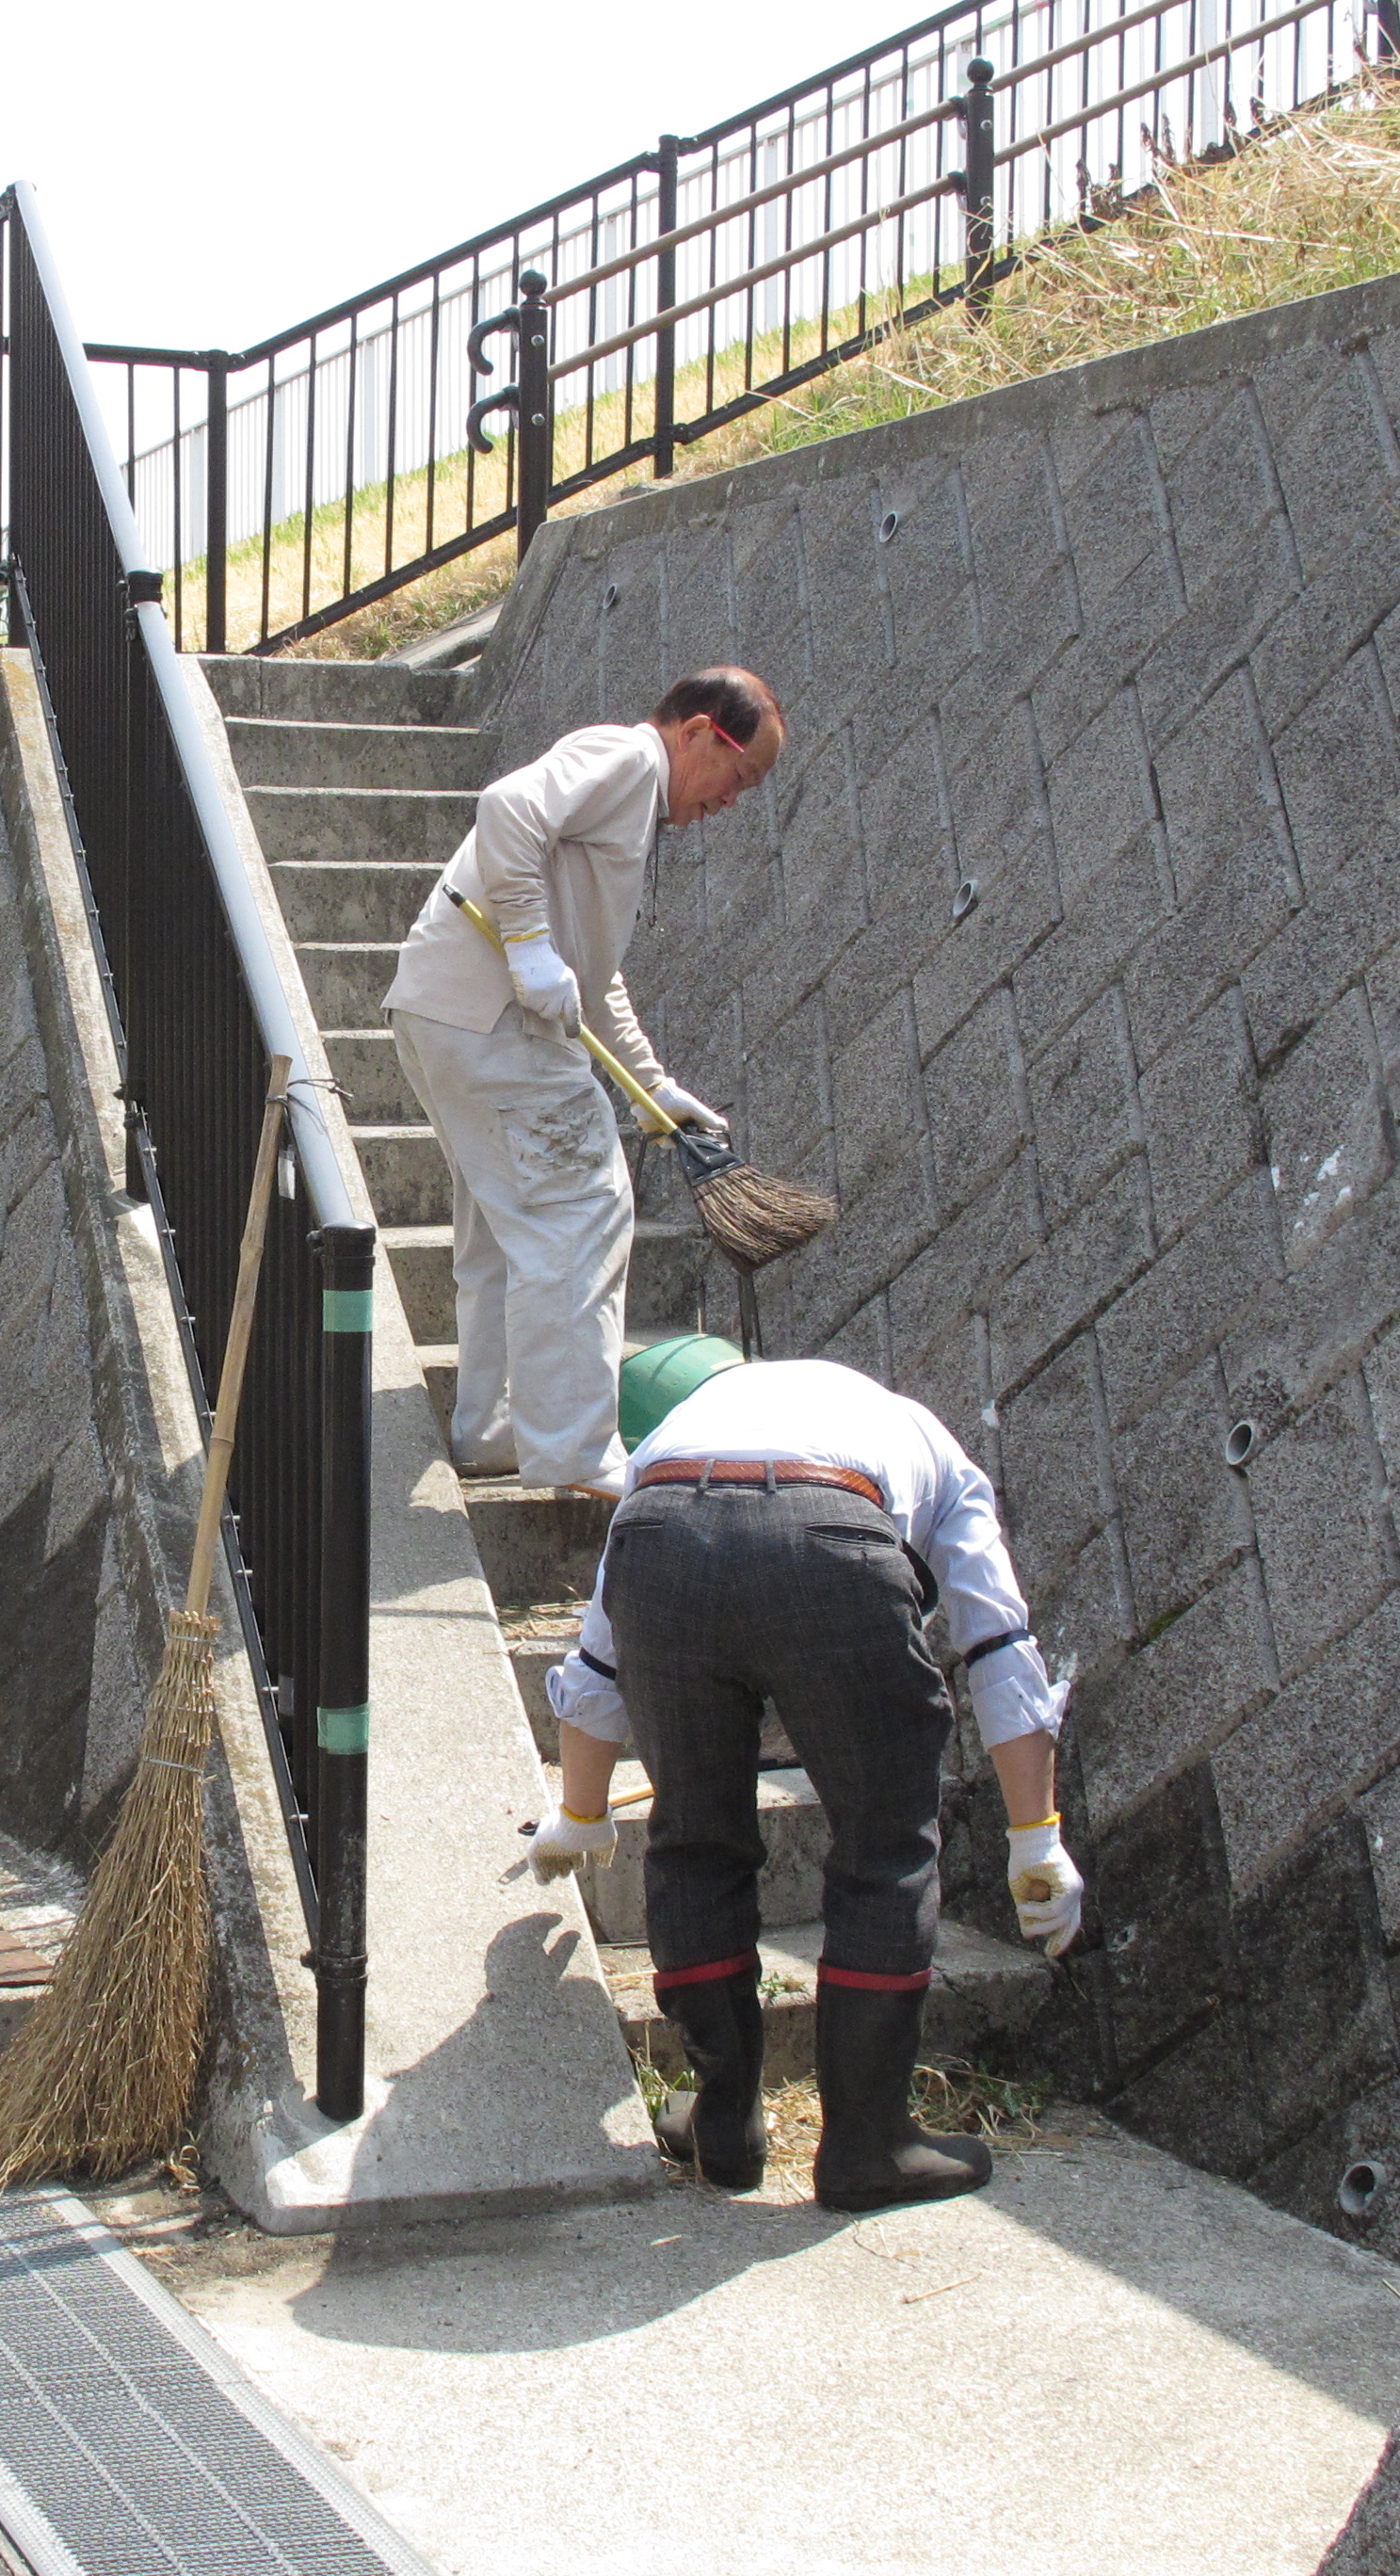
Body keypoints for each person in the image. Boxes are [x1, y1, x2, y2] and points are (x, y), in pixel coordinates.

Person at [537, 1355, 1085, 2211]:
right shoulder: (929, 1444)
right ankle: (868, 2144)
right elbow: (998, 1648)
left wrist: (578, 1813)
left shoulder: (673, 1443)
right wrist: (1035, 1838)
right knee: (884, 1844)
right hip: (835, 1540)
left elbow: (598, 1657)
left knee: (694, 1838)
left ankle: (725, 2122)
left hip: (661, 1540)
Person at [382, 669, 781, 1497]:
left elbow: (595, 983)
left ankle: (493, 1429)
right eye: (740, 776)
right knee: (583, 1211)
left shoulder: (629, 807)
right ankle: (574, 1447)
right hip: (494, 1018)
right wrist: (527, 944)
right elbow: (507, 807)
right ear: (701, 732)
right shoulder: (630, 759)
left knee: (504, 1227)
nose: (733, 801)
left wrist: (655, 1086)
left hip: (446, 1011)